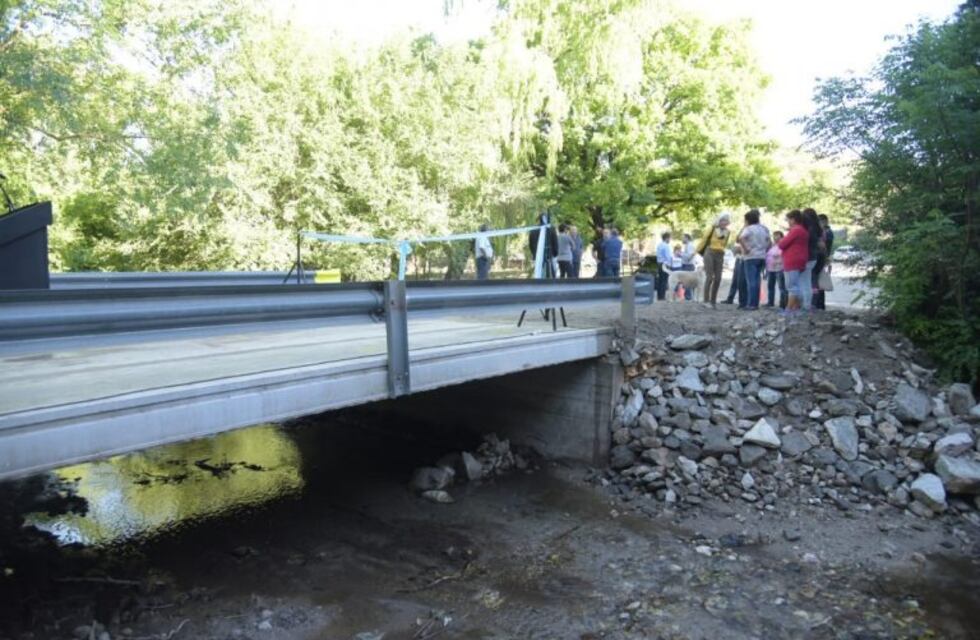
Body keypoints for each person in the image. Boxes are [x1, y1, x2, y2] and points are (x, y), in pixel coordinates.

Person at [736, 209, 770, 310]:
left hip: (750, 257)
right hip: (761, 257)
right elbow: (769, 241)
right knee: (757, 280)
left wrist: (746, 249)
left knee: (751, 281)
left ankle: (751, 304)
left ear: (747, 220)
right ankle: (755, 303)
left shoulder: (749, 229)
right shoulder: (764, 229)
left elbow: (740, 238)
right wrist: (765, 249)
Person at [778, 209, 809, 315]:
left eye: (789, 219)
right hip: (800, 260)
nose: (788, 222)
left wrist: (782, 239)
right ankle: (796, 308)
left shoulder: (796, 230)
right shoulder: (803, 230)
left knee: (791, 286)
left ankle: (789, 309)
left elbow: (782, 244)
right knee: (797, 285)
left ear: (794, 219)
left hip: (792, 260)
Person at [696, 212, 732, 306]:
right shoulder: (712, 229)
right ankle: (706, 301)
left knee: (718, 278)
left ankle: (713, 301)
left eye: (726, 220)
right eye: (723, 220)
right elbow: (704, 240)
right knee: (710, 277)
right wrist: (695, 252)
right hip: (710, 252)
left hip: (720, 254)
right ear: (719, 221)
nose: (725, 222)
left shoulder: (728, 232)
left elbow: (724, 244)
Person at [800, 208, 824, 311]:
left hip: (808, 256)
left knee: (806, 281)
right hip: (817, 256)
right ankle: (814, 303)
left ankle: (809, 304)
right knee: (813, 280)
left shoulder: (807, 229)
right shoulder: (818, 228)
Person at [813, 214, 835, 310]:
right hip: (823, 258)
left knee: (818, 282)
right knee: (818, 282)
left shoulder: (827, 233)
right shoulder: (827, 232)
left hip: (821, 259)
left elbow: (825, 247)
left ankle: (819, 304)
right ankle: (819, 304)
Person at [529, 212, 559, 278]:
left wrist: (534, 253)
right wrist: (555, 253)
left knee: (538, 274)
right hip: (549, 256)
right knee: (551, 274)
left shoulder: (533, 230)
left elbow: (531, 245)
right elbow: (555, 242)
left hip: (537, 256)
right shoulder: (551, 229)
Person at [766, 230, 787, 309]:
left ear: (781, 237)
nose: (775, 237)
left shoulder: (783, 245)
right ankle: (770, 302)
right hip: (770, 268)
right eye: (774, 236)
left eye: (777, 236)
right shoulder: (772, 246)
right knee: (770, 286)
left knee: (781, 286)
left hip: (780, 268)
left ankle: (783, 303)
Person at [655, 231, 672, 300]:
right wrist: (670, 265)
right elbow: (668, 257)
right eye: (669, 238)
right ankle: (662, 296)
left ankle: (659, 296)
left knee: (660, 280)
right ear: (667, 238)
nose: (670, 240)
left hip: (659, 263)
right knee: (664, 280)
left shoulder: (659, 245)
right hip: (665, 264)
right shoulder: (666, 246)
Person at [679, 233, 696, 300]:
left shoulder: (690, 245)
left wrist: (681, 254)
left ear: (687, 238)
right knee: (686, 282)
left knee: (687, 282)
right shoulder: (687, 245)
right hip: (687, 265)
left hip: (688, 265)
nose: (682, 239)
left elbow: (690, 255)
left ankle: (689, 297)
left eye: (683, 238)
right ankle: (688, 297)